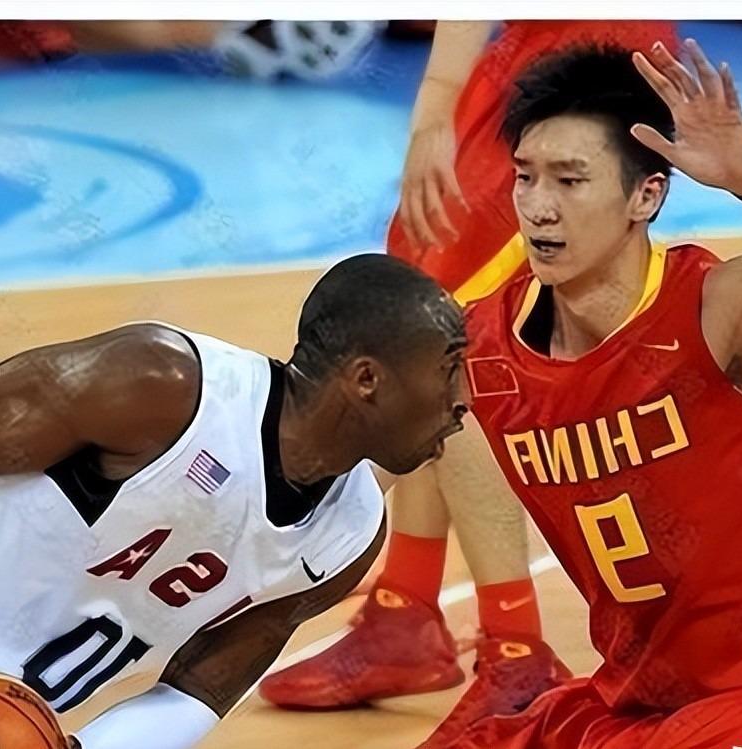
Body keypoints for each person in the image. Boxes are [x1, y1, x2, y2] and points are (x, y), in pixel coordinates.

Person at [0, 254, 473, 749]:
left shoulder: (347, 536)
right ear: (365, 380)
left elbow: (201, 686)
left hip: (22, 718)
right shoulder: (165, 388)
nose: (464, 400)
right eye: (448, 369)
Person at [438, 40, 742, 748]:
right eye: (524, 177)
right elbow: (366, 431)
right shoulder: (484, 342)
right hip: (628, 708)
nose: (538, 207)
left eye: (569, 180)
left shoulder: (719, 308)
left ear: (645, 194)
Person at [261, 21, 676, 749]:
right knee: (430, 327)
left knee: (447, 344)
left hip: (575, 61)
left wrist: (435, 104)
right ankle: (405, 610)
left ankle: (517, 650)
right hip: (530, 64)